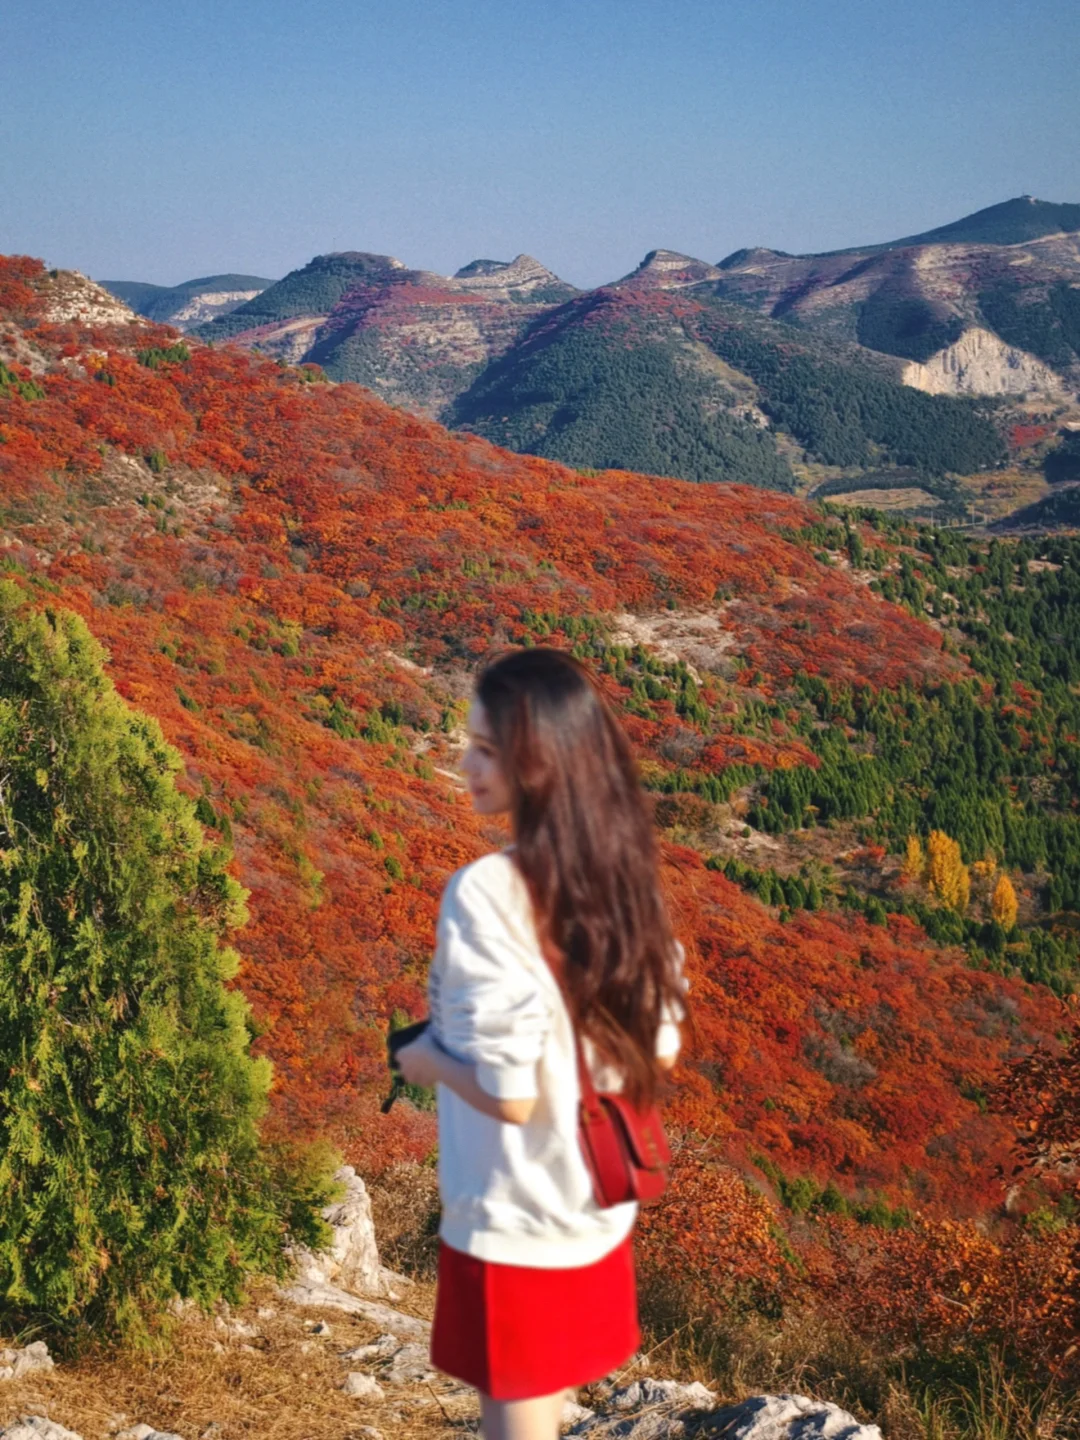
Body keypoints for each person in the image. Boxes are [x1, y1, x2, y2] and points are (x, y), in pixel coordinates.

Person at [395, 645, 689, 1440]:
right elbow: (657, 1051)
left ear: (539, 764)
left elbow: (512, 1097)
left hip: (515, 1218)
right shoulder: (626, 877)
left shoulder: (487, 892)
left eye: (488, 749)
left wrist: (427, 1063)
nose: (466, 764)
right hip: (593, 1205)